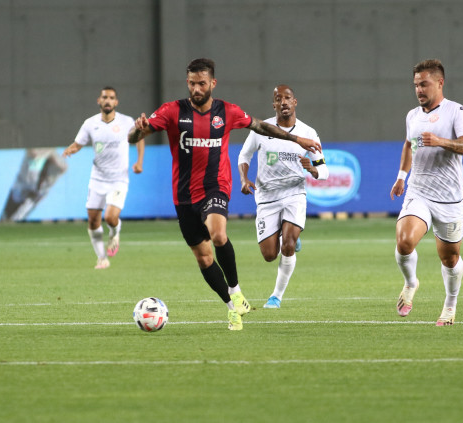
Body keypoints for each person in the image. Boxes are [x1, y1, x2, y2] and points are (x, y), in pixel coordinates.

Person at [128, 58, 321, 330]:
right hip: (183, 195)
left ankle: (236, 289)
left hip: (215, 187)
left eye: (202, 83)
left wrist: (297, 139)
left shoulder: (227, 111)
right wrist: (136, 130)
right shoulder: (172, 111)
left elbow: (261, 127)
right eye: (192, 83)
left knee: (218, 235)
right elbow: (134, 138)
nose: (196, 89)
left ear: (212, 83)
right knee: (204, 258)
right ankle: (233, 306)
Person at [389, 59, 463, 326]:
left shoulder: (457, 112)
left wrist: (440, 141)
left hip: (449, 198)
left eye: (424, 84)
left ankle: (450, 304)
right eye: (416, 85)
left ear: (440, 83)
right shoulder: (412, 116)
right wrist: (401, 177)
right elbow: (409, 145)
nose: (419, 90)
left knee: (450, 258)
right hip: (419, 192)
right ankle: (410, 282)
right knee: (404, 241)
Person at [237, 84, 328, 309]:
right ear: (274, 105)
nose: (283, 102)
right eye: (278, 99)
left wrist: (313, 170)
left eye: (287, 98)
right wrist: (244, 178)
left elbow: (324, 170)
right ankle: (286, 236)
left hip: (294, 194)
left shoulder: (308, 133)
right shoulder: (262, 129)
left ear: (295, 102)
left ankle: (276, 296)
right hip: (266, 197)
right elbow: (244, 155)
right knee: (269, 255)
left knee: (288, 245)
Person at [63, 87, 144, 269]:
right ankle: (102, 258)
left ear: (116, 102)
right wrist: (70, 150)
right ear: (99, 101)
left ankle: (115, 232)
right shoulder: (90, 123)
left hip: (119, 179)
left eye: (111, 98)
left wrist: (139, 162)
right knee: (93, 221)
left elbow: (139, 138)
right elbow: (78, 144)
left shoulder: (126, 122)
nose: (108, 100)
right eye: (105, 97)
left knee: (110, 217)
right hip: (97, 179)